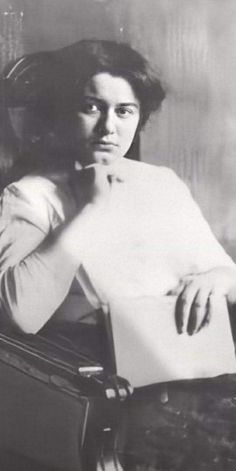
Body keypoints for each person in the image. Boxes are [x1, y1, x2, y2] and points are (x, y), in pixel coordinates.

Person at [0, 39, 236, 341]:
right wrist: (92, 208)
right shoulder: (29, 195)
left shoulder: (162, 182)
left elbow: (227, 275)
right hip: (89, 373)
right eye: (91, 107)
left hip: (184, 357)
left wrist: (216, 278)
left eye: (124, 111)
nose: (108, 127)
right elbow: (21, 316)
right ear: (62, 111)